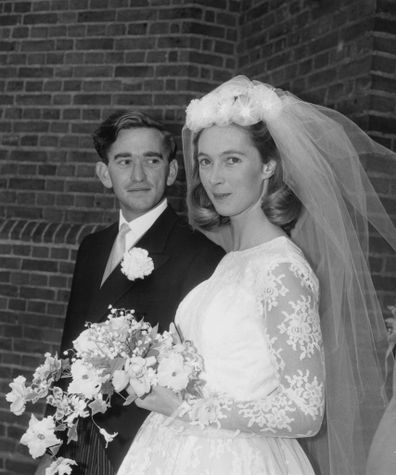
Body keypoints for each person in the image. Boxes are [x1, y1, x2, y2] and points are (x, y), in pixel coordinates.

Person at [115, 76, 396, 475]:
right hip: (173, 448)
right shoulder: (232, 260)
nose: (214, 177)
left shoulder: (282, 270)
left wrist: (187, 407)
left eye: (232, 159)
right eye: (207, 161)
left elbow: (305, 411)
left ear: (268, 166)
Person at [35, 111, 225, 475]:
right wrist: (52, 443)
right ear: (105, 174)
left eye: (151, 160)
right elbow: (70, 350)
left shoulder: (200, 254)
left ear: (170, 171)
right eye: (124, 161)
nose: (138, 176)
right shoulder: (92, 247)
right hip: (77, 448)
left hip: (143, 450)